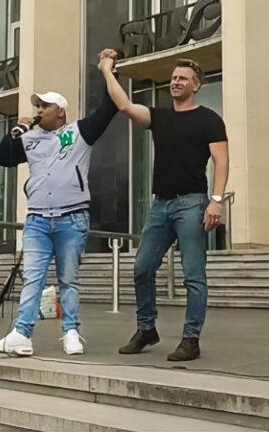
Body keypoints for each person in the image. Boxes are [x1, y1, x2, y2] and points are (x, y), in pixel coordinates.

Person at [98, 49, 229, 362]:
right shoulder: (161, 117)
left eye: (183, 78)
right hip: (161, 206)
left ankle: (191, 339)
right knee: (142, 267)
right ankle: (147, 329)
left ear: (196, 85)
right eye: (173, 78)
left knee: (193, 275)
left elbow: (221, 161)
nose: (176, 82)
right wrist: (106, 70)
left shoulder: (209, 119)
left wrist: (216, 201)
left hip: (192, 204)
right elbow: (125, 105)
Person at [0, 75, 118, 357]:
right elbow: (2, 158)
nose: (39, 110)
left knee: (68, 278)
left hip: (72, 218)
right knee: (32, 276)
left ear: (60, 111)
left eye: (45, 106)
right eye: (37, 106)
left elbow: (107, 111)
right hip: (37, 220)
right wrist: (16, 131)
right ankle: (22, 334)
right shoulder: (30, 138)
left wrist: (110, 72)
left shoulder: (78, 132)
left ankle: (71, 331)